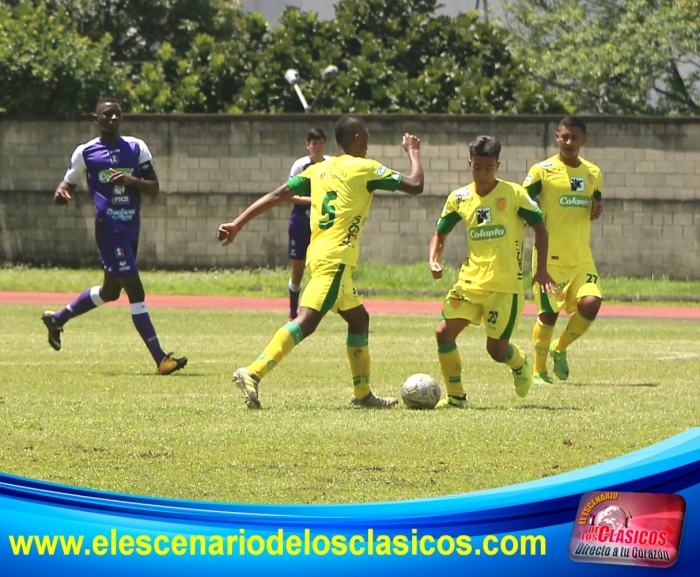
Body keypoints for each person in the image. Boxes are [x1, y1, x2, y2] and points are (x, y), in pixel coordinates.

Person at [217, 115, 423, 409]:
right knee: (307, 321)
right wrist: (413, 152)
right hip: (336, 258)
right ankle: (253, 372)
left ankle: (363, 394)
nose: (367, 143)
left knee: (358, 319)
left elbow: (278, 194)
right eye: (364, 137)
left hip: (321, 255)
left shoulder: (319, 170)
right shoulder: (364, 168)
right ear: (355, 139)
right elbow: (416, 184)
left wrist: (238, 223)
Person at [41, 98, 187, 375]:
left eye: (117, 114)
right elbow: (66, 184)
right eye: (107, 114)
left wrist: (131, 181)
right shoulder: (85, 152)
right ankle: (161, 359)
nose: (113, 118)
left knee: (110, 292)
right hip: (109, 230)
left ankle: (58, 318)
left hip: (131, 228)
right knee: (136, 290)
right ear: (96, 119)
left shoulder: (136, 147)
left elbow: (154, 188)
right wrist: (62, 193)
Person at [428, 135, 553, 408]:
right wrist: (434, 259)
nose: (482, 174)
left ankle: (518, 363)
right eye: (477, 167)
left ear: (498, 165)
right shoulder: (459, 197)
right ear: (469, 163)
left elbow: (541, 228)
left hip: (505, 287)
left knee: (496, 351)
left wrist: (541, 270)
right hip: (470, 282)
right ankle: (456, 397)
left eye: (488, 168)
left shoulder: (514, 194)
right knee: (443, 333)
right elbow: (440, 232)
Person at [522, 116, 603, 385]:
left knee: (591, 304)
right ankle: (538, 370)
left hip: (581, 257)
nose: (569, 142)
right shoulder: (541, 170)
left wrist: (596, 210)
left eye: (574, 137)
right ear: (557, 137)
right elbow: (522, 200)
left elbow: (595, 205)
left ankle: (560, 348)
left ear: (584, 140)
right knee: (548, 315)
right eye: (564, 137)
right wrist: (523, 215)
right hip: (549, 258)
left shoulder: (593, 173)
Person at [286, 128, 330, 320]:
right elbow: (289, 195)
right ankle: (292, 312)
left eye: (321, 143)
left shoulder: (331, 165)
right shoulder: (300, 165)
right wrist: (312, 200)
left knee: (322, 267)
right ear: (308, 145)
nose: (318, 147)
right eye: (314, 144)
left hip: (323, 223)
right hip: (301, 221)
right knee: (298, 268)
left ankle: (313, 312)